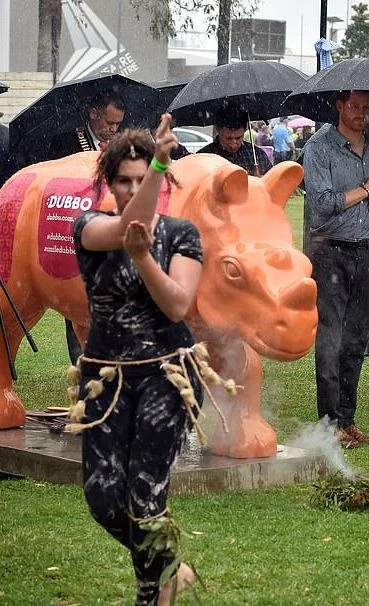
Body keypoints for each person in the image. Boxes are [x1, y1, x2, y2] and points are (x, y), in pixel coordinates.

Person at [70, 117, 201, 606]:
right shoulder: (88, 226)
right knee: (104, 500)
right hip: (104, 380)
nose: (131, 188)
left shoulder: (182, 235)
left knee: (146, 500)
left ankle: (153, 596)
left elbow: (177, 307)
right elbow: (126, 227)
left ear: (159, 181)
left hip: (168, 374)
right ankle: (171, 568)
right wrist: (160, 161)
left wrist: (145, 259)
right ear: (109, 182)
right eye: (122, 180)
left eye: (141, 177)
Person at [302, 90, 369, 448]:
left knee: (355, 338)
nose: (361, 114)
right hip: (329, 251)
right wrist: (365, 190)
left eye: (366, 108)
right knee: (330, 337)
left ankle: (347, 419)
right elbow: (321, 204)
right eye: (354, 107)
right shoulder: (319, 147)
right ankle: (329, 420)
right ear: (339, 106)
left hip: (366, 249)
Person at [47, 90, 127, 364]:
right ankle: (80, 360)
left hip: (111, 230)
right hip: (73, 230)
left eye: (118, 124)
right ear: (94, 114)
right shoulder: (66, 142)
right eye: (109, 123)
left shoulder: (122, 145)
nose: (113, 129)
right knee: (77, 295)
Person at [197, 105, 273, 176]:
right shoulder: (203, 159)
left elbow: (272, 185)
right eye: (228, 138)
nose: (233, 145)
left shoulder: (257, 155)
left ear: (245, 130)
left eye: (238, 138)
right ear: (218, 129)